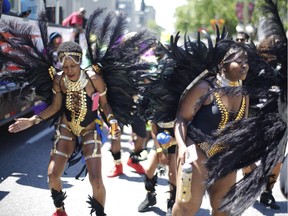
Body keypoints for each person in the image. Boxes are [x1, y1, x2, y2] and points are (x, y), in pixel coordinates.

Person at [8, 41, 119, 216]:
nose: (69, 70)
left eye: (73, 66)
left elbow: (104, 105)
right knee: (52, 175)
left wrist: (112, 122)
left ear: (80, 62)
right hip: (66, 127)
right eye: (65, 66)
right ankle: (60, 210)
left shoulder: (94, 78)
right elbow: (54, 107)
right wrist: (31, 120)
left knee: (96, 180)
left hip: (89, 129)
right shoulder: (59, 79)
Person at [173, 41, 250, 216]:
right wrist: (182, 146)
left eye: (246, 60)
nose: (245, 65)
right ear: (223, 64)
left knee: (223, 208)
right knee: (188, 206)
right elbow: (181, 118)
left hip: (225, 155)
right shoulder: (204, 88)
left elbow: (242, 128)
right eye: (239, 61)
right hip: (198, 149)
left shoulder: (244, 93)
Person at [137, 122, 177, 216]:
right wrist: (160, 151)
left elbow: (187, 129)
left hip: (175, 143)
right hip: (159, 144)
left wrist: (174, 141)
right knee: (148, 170)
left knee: (172, 175)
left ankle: (171, 204)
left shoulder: (178, 107)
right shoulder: (155, 108)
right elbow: (154, 131)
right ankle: (150, 197)